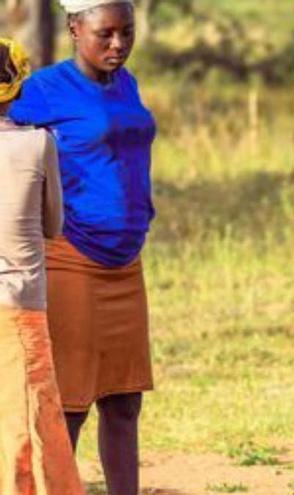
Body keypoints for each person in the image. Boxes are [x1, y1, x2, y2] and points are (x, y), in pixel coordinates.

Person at [9, 2, 157, 494]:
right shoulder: (44, 89)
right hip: (72, 258)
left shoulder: (126, 83)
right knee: (70, 404)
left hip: (125, 264)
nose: (118, 45)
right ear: (74, 29)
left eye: (126, 33)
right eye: (105, 34)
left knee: (124, 401)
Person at [0, 37, 85, 495]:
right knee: (30, 417)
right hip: (19, 303)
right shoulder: (38, 143)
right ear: (17, 84)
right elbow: (53, 225)